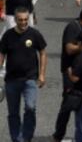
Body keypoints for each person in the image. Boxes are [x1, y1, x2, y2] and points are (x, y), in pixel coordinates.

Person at [52, 6, 82, 142]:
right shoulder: (72, 27)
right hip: (70, 70)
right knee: (69, 102)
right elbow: (69, 49)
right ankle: (58, 135)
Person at [0, 7, 47, 142]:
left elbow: (43, 52)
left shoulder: (34, 34)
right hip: (12, 81)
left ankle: (26, 137)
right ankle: (16, 138)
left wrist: (42, 74)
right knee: (13, 113)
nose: (23, 22)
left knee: (30, 108)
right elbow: (2, 53)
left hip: (30, 79)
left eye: (26, 19)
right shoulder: (8, 35)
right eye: (20, 20)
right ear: (15, 20)